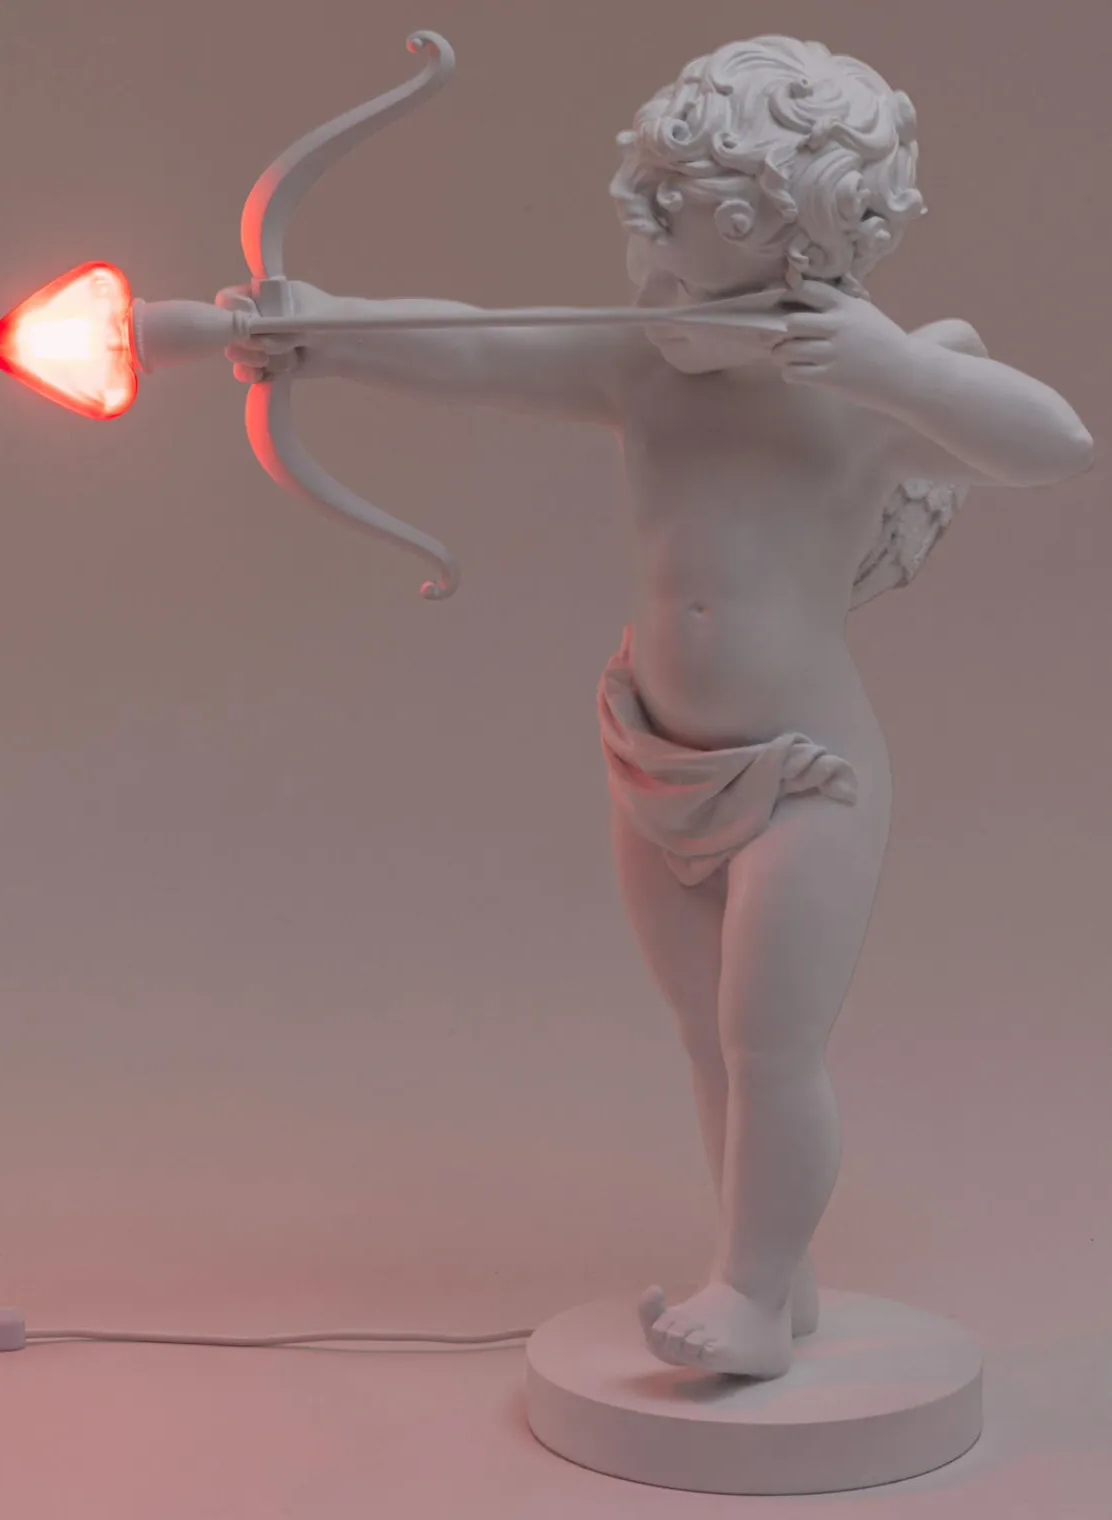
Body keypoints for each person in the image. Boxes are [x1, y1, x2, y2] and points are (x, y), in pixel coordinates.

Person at [223, 35, 1093, 1378]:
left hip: (803, 777)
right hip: (652, 753)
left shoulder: (862, 393)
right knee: (710, 1044)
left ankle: (748, 1293)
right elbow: (474, 346)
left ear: (778, 235)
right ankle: (775, 1271)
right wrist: (321, 327)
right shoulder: (641, 364)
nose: (637, 220)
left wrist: (892, 366)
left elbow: (1055, 443)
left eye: (675, 209)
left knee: (770, 1045)